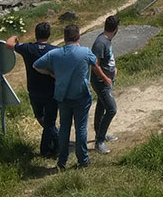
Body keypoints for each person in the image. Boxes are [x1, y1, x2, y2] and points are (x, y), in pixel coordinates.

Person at [34, 24, 112, 171]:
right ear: (78, 36)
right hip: (81, 96)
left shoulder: (55, 53)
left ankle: (62, 161)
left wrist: (51, 73)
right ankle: (83, 160)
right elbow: (95, 64)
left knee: (64, 128)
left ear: (64, 38)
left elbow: (36, 65)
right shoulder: (85, 52)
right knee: (80, 128)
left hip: (62, 96)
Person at [7, 22, 59, 158]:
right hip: (51, 90)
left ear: (35, 34)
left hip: (34, 90)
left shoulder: (27, 48)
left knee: (41, 118)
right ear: (49, 34)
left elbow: (8, 44)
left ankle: (49, 148)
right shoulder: (55, 50)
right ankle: (57, 143)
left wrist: (15, 37)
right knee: (50, 120)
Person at [91, 16, 120, 154]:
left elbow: (107, 58)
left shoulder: (106, 40)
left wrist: (113, 69)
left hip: (107, 79)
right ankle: (99, 141)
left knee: (101, 106)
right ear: (116, 28)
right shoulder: (100, 42)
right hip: (101, 82)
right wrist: (105, 78)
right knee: (111, 109)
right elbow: (94, 65)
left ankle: (100, 132)